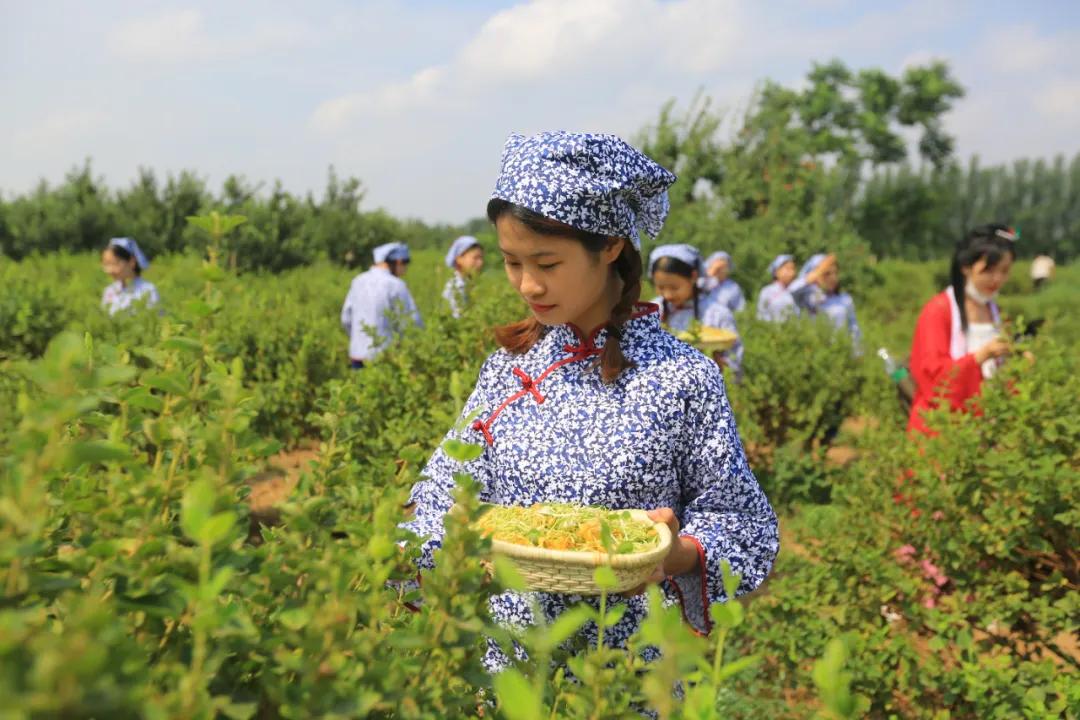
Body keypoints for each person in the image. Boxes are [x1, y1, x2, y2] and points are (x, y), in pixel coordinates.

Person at [402, 131, 778, 672]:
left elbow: (743, 525)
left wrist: (675, 555)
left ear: (609, 246)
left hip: (628, 676)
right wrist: (414, 553)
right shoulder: (510, 370)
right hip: (509, 669)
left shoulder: (681, 377)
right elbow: (443, 492)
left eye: (547, 264)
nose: (528, 285)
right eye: (511, 262)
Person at [907, 224, 1018, 436]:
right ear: (966, 267)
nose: (997, 279)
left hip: (990, 423)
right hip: (944, 428)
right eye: (988, 270)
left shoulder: (997, 313)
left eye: (1004, 271)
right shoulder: (939, 311)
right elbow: (932, 375)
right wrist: (980, 357)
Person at [649, 244, 744, 377]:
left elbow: (735, 360)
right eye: (660, 287)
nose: (667, 295)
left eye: (674, 287)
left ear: (693, 276)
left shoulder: (717, 315)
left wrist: (723, 365)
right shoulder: (651, 312)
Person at [340, 242, 422, 369]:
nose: (405, 270)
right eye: (405, 264)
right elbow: (411, 322)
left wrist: (359, 339)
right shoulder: (395, 285)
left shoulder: (358, 281)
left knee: (360, 388)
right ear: (398, 262)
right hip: (385, 357)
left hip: (357, 355)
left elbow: (346, 318)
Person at [794, 253, 862, 351]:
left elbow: (854, 328)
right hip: (814, 352)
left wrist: (857, 351)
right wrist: (818, 271)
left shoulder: (845, 299)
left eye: (835, 273)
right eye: (827, 274)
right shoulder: (806, 298)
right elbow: (792, 290)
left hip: (840, 352)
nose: (833, 278)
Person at [101, 237, 160, 316]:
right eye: (106, 264)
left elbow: (156, 320)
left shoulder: (148, 290)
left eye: (114, 263)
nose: (109, 270)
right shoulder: (109, 291)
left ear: (132, 262)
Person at [443, 235, 485, 317]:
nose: (480, 263)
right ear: (459, 259)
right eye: (475, 258)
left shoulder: (467, 284)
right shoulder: (457, 287)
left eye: (481, 258)